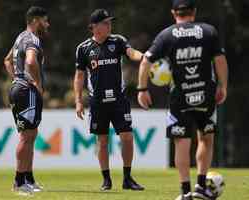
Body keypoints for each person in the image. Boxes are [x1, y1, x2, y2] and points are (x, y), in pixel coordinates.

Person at [137, 0, 228, 199]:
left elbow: (145, 61)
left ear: (173, 13)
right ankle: (201, 186)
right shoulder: (208, 31)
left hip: (180, 97)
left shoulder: (167, 34)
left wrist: (142, 89)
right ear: (193, 12)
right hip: (205, 94)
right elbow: (220, 60)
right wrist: (223, 86)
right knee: (206, 138)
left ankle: (185, 191)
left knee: (182, 142)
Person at [74, 8, 145, 191]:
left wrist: (143, 57)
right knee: (102, 141)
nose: (109, 25)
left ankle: (127, 178)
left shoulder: (118, 41)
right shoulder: (83, 49)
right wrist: (78, 101)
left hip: (119, 100)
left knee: (127, 137)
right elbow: (79, 76)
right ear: (94, 27)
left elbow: (131, 52)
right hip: (97, 102)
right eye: (106, 23)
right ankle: (106, 179)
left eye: (109, 22)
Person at [3, 6, 50, 195]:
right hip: (26, 91)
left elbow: (7, 60)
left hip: (19, 88)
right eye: (45, 20)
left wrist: (16, 78)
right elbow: (31, 62)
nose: (47, 24)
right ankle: (18, 182)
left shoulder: (20, 37)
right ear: (36, 20)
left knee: (31, 134)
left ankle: (28, 179)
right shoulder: (32, 38)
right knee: (25, 136)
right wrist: (36, 83)